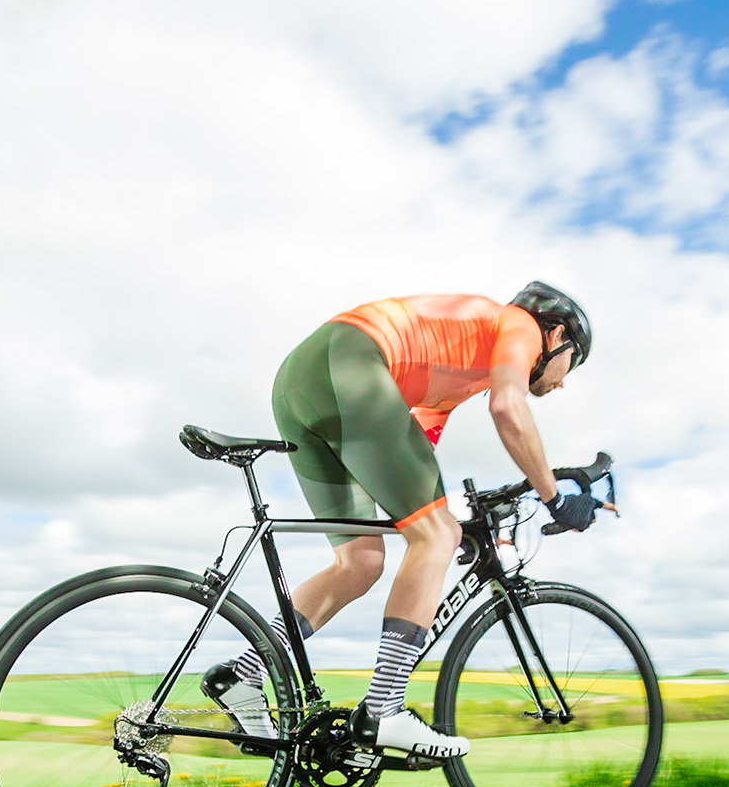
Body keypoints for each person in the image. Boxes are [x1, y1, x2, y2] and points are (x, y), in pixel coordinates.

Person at [203, 282, 600, 759]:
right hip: (351, 365)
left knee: (361, 562)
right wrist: (554, 498)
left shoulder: (455, 374)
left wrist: (433, 517)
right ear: (556, 334)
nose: (563, 380)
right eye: (571, 363)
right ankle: (385, 708)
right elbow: (508, 407)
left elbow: (407, 454)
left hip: (302, 381)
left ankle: (243, 673)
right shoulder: (519, 325)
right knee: (438, 535)